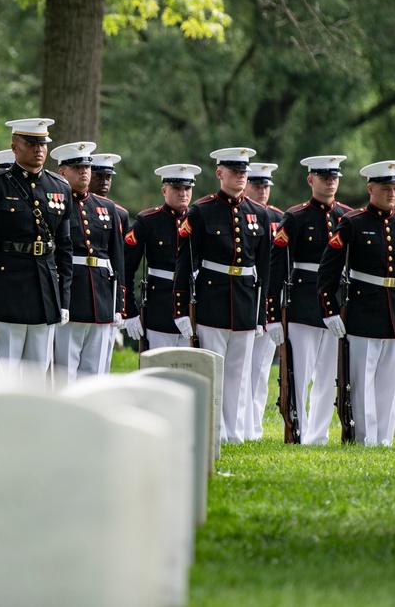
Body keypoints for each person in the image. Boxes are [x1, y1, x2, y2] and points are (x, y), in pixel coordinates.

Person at [317, 160, 395, 445]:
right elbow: (328, 269)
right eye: (386, 188)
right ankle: (365, 437)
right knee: (362, 381)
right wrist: (329, 309)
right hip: (364, 310)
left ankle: (384, 439)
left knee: (389, 381)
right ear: (370, 188)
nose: (392, 193)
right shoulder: (353, 222)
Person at [172, 147, 271, 444]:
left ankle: (235, 432)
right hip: (212, 299)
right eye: (235, 171)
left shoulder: (260, 214)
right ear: (220, 173)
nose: (241, 176)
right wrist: (180, 308)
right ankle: (215, 429)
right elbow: (185, 262)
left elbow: (264, 270)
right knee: (213, 370)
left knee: (239, 376)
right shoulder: (201, 211)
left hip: (244, 302)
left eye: (244, 172)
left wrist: (261, 315)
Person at [0, 118, 73, 375]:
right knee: (4, 377)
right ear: (15, 147)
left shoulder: (59, 188)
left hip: (45, 295)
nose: (39, 149)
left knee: (37, 378)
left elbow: (64, 248)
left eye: (43, 144)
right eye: (31, 143)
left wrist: (64, 298)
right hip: (7, 294)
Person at [266, 155, 352, 444]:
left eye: (334, 177)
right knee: (300, 374)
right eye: (324, 177)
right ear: (310, 179)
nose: (330, 182)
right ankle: (298, 430)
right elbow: (277, 267)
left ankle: (318, 434)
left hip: (337, 302)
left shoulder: (347, 217)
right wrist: (272, 312)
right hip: (303, 301)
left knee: (328, 375)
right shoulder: (295, 217)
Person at [50, 142, 124, 382]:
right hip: (69, 297)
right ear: (62, 172)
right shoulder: (54, 204)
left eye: (87, 166)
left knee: (95, 374)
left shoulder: (107, 208)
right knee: (65, 373)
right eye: (76, 166)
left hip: (101, 298)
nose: (84, 171)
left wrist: (118, 304)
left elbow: (117, 259)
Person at [123, 164, 202, 350]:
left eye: (187, 188)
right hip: (160, 305)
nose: (183, 193)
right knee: (159, 368)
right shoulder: (148, 221)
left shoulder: (199, 219)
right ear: (164, 190)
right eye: (177, 188)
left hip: (193, 304)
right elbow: (126, 267)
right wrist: (129, 310)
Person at [244, 162, 283, 440]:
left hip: (267, 300)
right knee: (238, 366)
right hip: (242, 295)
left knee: (259, 369)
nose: (262, 191)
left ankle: (254, 426)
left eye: (265, 186)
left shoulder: (279, 219)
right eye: (256, 185)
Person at [89, 151, 130, 369]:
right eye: (99, 176)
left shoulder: (119, 213)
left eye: (108, 177)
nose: (104, 182)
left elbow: (120, 261)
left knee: (101, 363)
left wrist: (120, 305)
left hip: (106, 293)